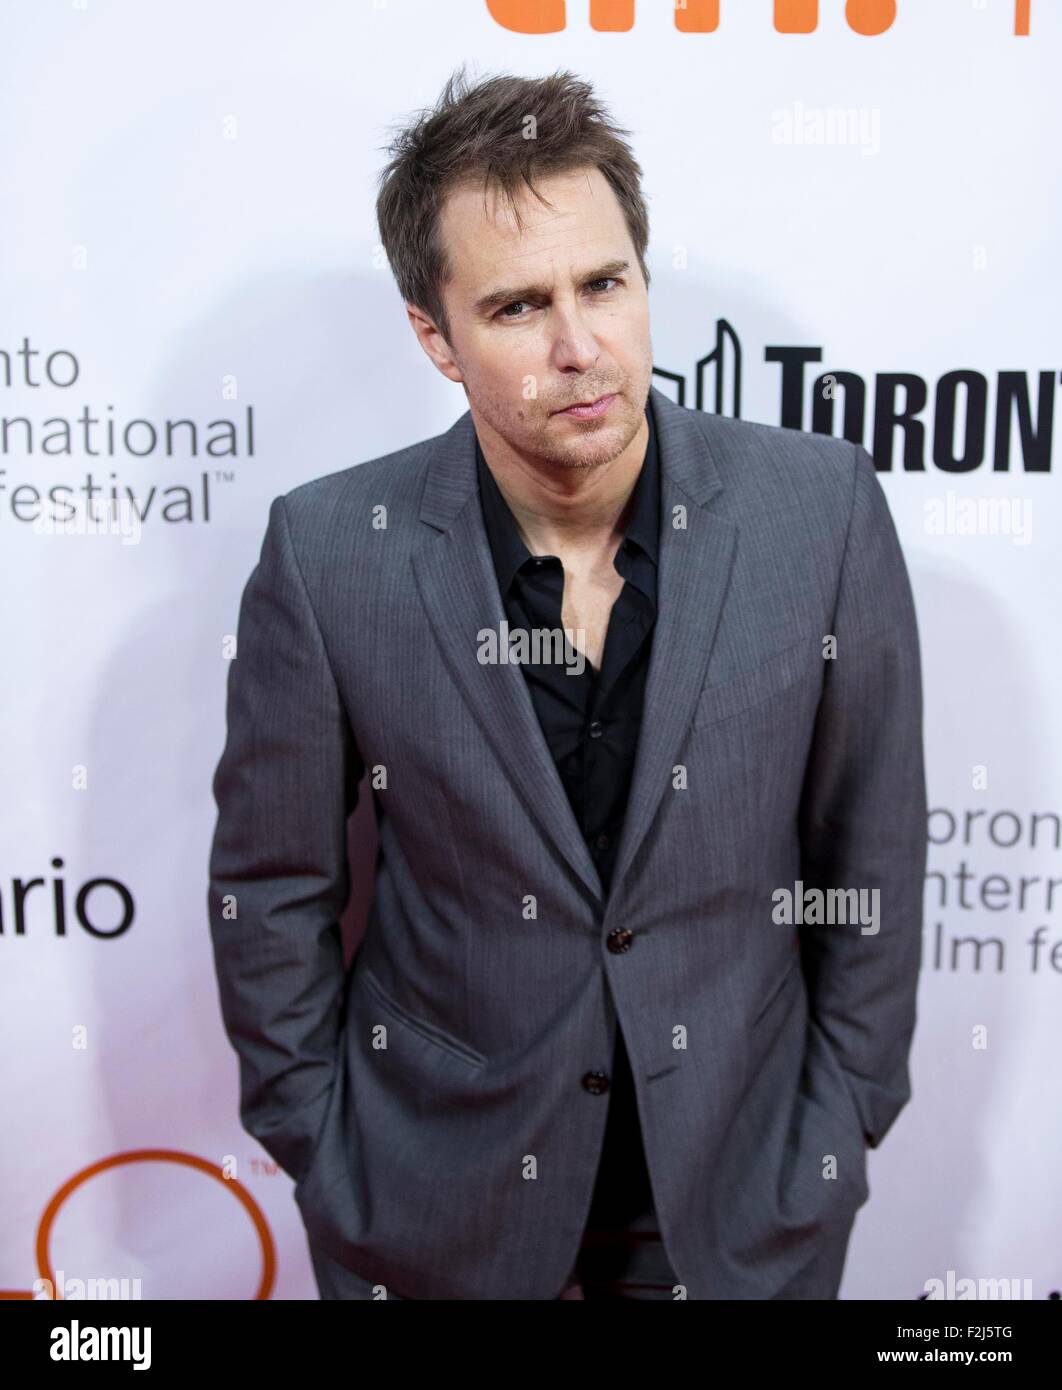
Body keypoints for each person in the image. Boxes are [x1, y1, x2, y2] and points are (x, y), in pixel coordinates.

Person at [207, 66, 927, 1301]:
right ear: (435, 336)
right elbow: (269, 887)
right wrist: (322, 1144)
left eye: (604, 283)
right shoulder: (333, 554)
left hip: (739, 1199)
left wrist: (839, 1118)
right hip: (432, 1201)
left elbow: (870, 849)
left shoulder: (822, 513)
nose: (580, 346)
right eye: (517, 306)